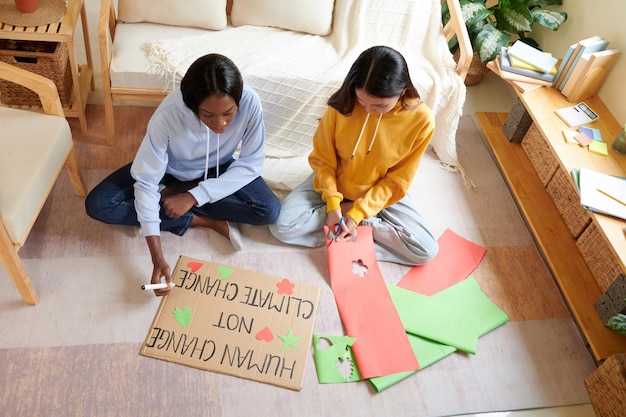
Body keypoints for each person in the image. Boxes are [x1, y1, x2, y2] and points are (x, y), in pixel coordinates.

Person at [85, 53, 281, 295]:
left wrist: (193, 196)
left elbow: (251, 163)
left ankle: (181, 200)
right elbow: (146, 182)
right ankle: (202, 219)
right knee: (99, 205)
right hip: (169, 170)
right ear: (192, 104)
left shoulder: (250, 102)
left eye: (229, 112)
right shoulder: (167, 116)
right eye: (208, 115)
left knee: (268, 210)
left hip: (217, 167)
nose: (220, 124)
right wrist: (157, 257)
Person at [269, 45, 438, 265]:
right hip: (332, 181)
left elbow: (397, 180)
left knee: (425, 250)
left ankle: (355, 226)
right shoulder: (343, 104)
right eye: (362, 101)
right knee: (280, 227)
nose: (368, 110)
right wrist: (332, 206)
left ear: (403, 91)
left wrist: (357, 215)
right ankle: (344, 223)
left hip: (380, 191)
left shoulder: (421, 120)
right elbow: (323, 160)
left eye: (379, 105)